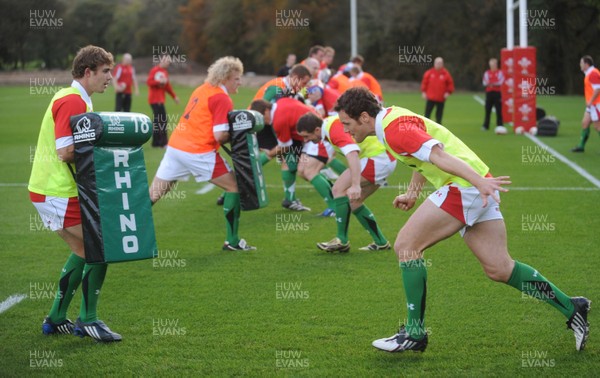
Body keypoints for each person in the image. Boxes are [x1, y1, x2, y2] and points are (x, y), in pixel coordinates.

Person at [334, 87, 590, 353]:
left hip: (467, 186)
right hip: (475, 184)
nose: (346, 131)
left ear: (364, 117)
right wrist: (412, 193)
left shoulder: (393, 129)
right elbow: (425, 156)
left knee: (407, 246)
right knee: (500, 268)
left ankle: (415, 333)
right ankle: (573, 307)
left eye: (347, 124)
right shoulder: (390, 120)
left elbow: (439, 156)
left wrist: (478, 182)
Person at [28, 45, 122, 342]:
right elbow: (66, 151)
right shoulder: (72, 101)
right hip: (55, 191)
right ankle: (88, 320)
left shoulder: (79, 100)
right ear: (87, 72)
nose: (111, 77)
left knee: (85, 251)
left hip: (56, 190)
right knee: (102, 248)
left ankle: (56, 318)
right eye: (105, 71)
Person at [149, 56, 256, 251]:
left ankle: (122, 232)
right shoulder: (222, 97)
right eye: (236, 78)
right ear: (224, 78)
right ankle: (232, 242)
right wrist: (240, 131)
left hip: (176, 147)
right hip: (198, 150)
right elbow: (220, 135)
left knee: (153, 195)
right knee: (234, 188)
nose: (240, 82)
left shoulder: (202, 88)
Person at [297, 113, 396, 251]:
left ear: (317, 130)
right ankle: (381, 242)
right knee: (354, 202)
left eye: (307, 136)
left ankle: (341, 240)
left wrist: (355, 184)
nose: (306, 140)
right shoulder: (329, 128)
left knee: (338, 189)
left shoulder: (333, 129)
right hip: (384, 158)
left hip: (378, 159)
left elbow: (352, 153)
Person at [250, 98, 327, 212]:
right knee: (290, 164)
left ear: (266, 110)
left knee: (307, 171)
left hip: (316, 136)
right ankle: (289, 200)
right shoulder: (280, 102)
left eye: (262, 117)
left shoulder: (278, 120)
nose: (263, 122)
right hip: (306, 135)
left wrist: (270, 153)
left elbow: (284, 147)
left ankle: (335, 203)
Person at [147, 55, 179, 148]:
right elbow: (149, 82)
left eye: (169, 62)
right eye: (167, 61)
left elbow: (167, 86)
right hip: (154, 100)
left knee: (158, 121)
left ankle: (156, 143)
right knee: (162, 121)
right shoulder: (154, 70)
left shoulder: (165, 72)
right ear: (162, 61)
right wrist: (159, 81)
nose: (168, 63)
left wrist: (174, 96)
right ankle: (163, 143)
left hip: (160, 100)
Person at [571, 55, 600, 152]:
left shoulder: (593, 73)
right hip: (592, 105)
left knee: (597, 126)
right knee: (585, 123)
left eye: (581, 63)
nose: (580, 65)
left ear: (587, 64)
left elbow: (597, 89)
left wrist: (591, 101)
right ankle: (581, 146)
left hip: (596, 104)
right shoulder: (589, 73)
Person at [421, 57, 454, 123]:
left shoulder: (445, 74)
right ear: (434, 63)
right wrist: (423, 92)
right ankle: (425, 127)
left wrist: (448, 92)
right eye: (437, 63)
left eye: (440, 63)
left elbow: (450, 84)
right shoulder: (429, 73)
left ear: (442, 64)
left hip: (441, 98)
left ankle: (439, 128)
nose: (438, 64)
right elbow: (424, 83)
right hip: (431, 98)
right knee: (427, 114)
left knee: (439, 115)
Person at [482, 58, 505, 133]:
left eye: (494, 64)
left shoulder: (500, 72)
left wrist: (492, 83)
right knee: (487, 109)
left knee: (498, 109)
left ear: (496, 65)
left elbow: (500, 81)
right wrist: (492, 83)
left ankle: (500, 124)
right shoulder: (487, 73)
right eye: (491, 65)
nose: (493, 66)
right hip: (489, 93)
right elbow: (485, 82)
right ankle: (486, 125)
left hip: (497, 93)